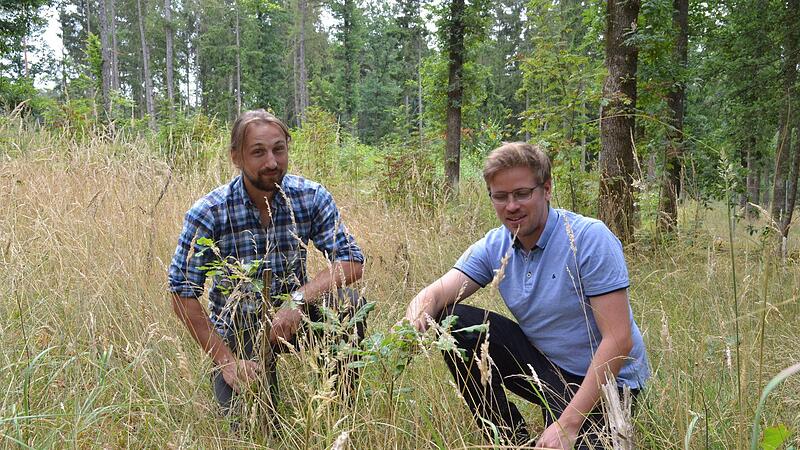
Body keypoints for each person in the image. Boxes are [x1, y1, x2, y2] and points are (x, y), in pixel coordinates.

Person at [403, 142, 649, 449]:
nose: (511, 206)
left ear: (546, 189)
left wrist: (568, 423)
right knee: (452, 320)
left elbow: (619, 340)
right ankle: (512, 440)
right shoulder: (496, 245)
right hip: (547, 367)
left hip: (610, 382)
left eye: (522, 194)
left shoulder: (588, 238)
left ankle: (569, 422)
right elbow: (437, 292)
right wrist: (411, 325)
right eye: (501, 196)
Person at [168, 109, 366, 425]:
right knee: (253, 429)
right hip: (240, 326)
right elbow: (182, 294)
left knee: (348, 305)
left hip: (298, 317)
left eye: (279, 149)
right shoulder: (210, 212)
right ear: (236, 157)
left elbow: (352, 261)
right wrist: (225, 362)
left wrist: (297, 300)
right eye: (258, 152)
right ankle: (256, 399)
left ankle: (337, 412)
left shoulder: (310, 197)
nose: (272, 163)